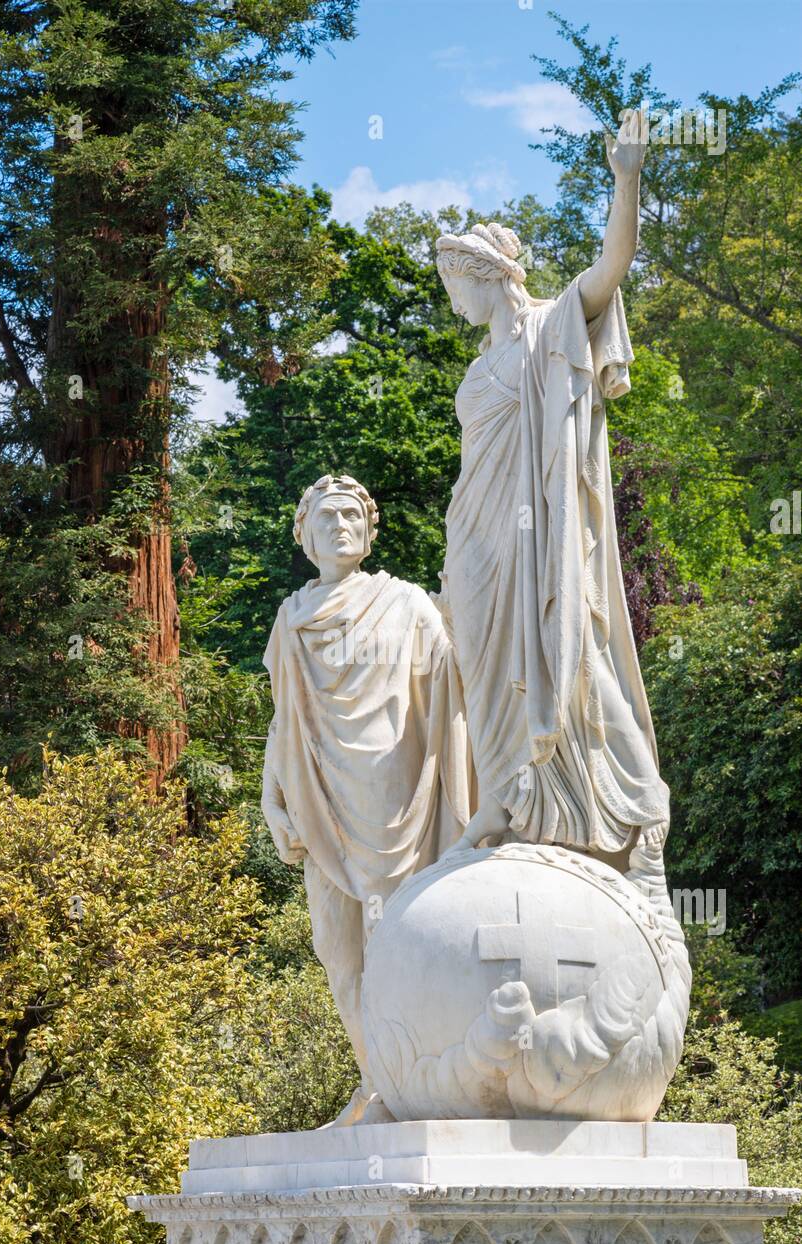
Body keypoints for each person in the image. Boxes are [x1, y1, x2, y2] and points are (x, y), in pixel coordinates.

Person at [435, 110, 672, 913]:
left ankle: (638, 811)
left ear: (489, 275)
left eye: (455, 282)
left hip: (539, 533)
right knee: (486, 673)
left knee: (569, 651)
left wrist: (627, 177)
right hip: (475, 538)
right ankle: (508, 800)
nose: (451, 298)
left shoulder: (547, 326)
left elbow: (614, 265)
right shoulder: (481, 362)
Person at [262, 474, 475, 1124]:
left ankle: (407, 1086)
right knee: (338, 954)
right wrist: (272, 802)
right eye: (327, 516)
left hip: (393, 805)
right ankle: (377, 1080)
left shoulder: (406, 605)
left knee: (394, 948)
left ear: (371, 528)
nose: (341, 525)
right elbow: (283, 721)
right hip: (316, 801)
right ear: (304, 535)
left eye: (353, 514)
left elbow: (454, 680)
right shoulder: (292, 616)